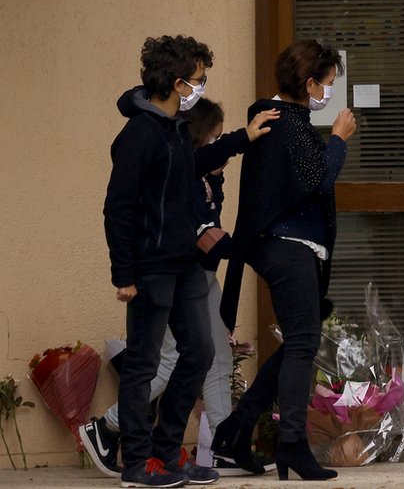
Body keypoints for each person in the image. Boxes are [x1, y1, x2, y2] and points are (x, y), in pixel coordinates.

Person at [83, 98, 278, 479]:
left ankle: (219, 442)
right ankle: (111, 429)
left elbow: (209, 214)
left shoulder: (203, 172)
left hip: (197, 275)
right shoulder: (160, 150)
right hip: (166, 271)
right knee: (162, 361)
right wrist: (252, 251)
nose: (221, 148)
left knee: (212, 355)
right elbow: (198, 230)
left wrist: (239, 142)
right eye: (215, 139)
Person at [102, 34, 254, 488]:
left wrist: (242, 138)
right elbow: (118, 207)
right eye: (198, 79)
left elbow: (194, 164)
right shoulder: (138, 136)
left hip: (186, 263)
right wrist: (123, 273)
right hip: (150, 266)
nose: (201, 86)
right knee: (144, 363)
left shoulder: (176, 130)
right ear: (174, 81)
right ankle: (136, 463)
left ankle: (169, 453)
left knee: (202, 351)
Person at [214, 39, 357, 481]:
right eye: (329, 84)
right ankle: (291, 444)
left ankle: (237, 431)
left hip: (291, 245)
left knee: (301, 339)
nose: (330, 93)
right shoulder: (284, 122)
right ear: (309, 82)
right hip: (285, 245)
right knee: (301, 342)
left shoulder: (285, 118)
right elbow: (317, 178)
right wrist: (337, 139)